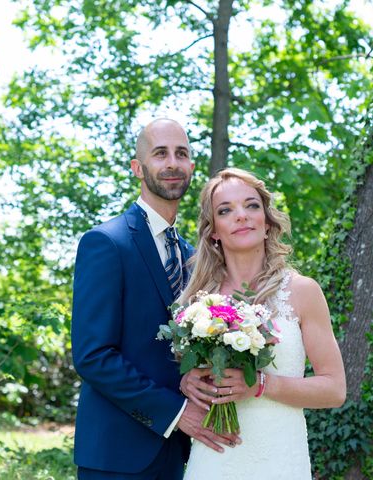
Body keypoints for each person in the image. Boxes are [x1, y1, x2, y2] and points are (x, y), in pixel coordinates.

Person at [71, 119, 237, 480]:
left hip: (180, 453)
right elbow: (92, 355)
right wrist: (176, 412)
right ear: (138, 168)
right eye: (160, 153)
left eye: (182, 153)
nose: (172, 163)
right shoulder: (107, 242)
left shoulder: (193, 256)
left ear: (192, 166)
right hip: (117, 455)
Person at [179, 167, 346, 479]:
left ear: (267, 222)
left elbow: (334, 390)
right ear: (214, 230)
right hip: (215, 459)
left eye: (251, 205)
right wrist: (187, 382)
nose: (241, 215)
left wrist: (261, 385)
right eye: (226, 210)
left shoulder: (301, 291)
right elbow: (194, 378)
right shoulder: (198, 303)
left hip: (279, 459)